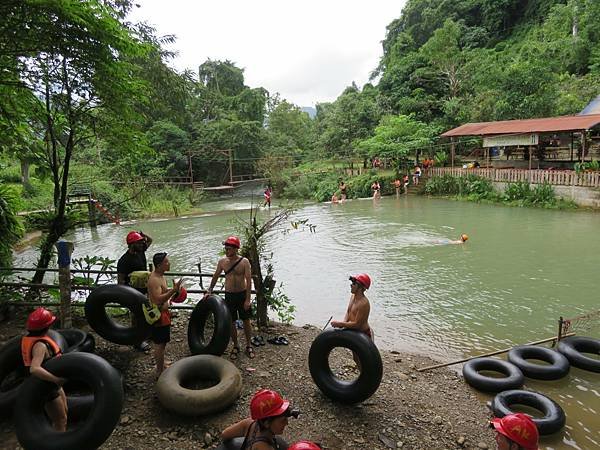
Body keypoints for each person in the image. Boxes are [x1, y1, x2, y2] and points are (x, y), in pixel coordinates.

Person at [205, 236, 254, 359]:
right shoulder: (222, 262)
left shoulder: (244, 262)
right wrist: (209, 290)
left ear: (236, 249)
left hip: (242, 294)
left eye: (229, 248)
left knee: (246, 320)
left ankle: (249, 345)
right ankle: (236, 345)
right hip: (229, 295)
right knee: (232, 321)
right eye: (225, 248)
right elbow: (216, 276)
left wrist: (248, 299)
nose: (226, 250)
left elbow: (249, 281)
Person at [21, 308, 67, 431]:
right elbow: (34, 369)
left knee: (64, 414)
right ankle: (58, 444)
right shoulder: (40, 345)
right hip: (44, 385)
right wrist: (56, 380)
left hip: (51, 383)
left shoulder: (31, 338)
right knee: (60, 420)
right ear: (47, 326)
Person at [221, 389, 298, 450]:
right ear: (267, 423)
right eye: (283, 420)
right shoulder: (264, 447)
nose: (286, 423)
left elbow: (225, 434)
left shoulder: (249, 423)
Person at [117, 230, 153, 351]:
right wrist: (124, 295)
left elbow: (151, 240)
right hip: (133, 292)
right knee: (136, 317)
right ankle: (137, 341)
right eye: (139, 242)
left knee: (148, 313)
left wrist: (143, 235)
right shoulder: (124, 261)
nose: (142, 244)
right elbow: (121, 280)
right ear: (132, 244)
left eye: (142, 242)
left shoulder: (141, 251)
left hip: (145, 289)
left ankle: (147, 334)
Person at [147, 252, 181, 376]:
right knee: (159, 344)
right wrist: (173, 291)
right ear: (160, 265)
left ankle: (162, 363)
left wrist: (175, 291)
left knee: (163, 342)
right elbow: (157, 300)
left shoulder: (161, 276)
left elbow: (163, 292)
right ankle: (159, 370)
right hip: (158, 315)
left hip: (164, 313)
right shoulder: (154, 279)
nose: (169, 263)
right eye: (166, 262)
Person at [331, 273, 373, 340]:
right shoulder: (353, 296)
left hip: (362, 333)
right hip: (352, 330)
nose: (351, 285)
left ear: (360, 288)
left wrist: (340, 324)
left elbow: (357, 325)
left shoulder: (363, 303)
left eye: (354, 283)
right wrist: (344, 323)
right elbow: (348, 311)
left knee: (358, 350)